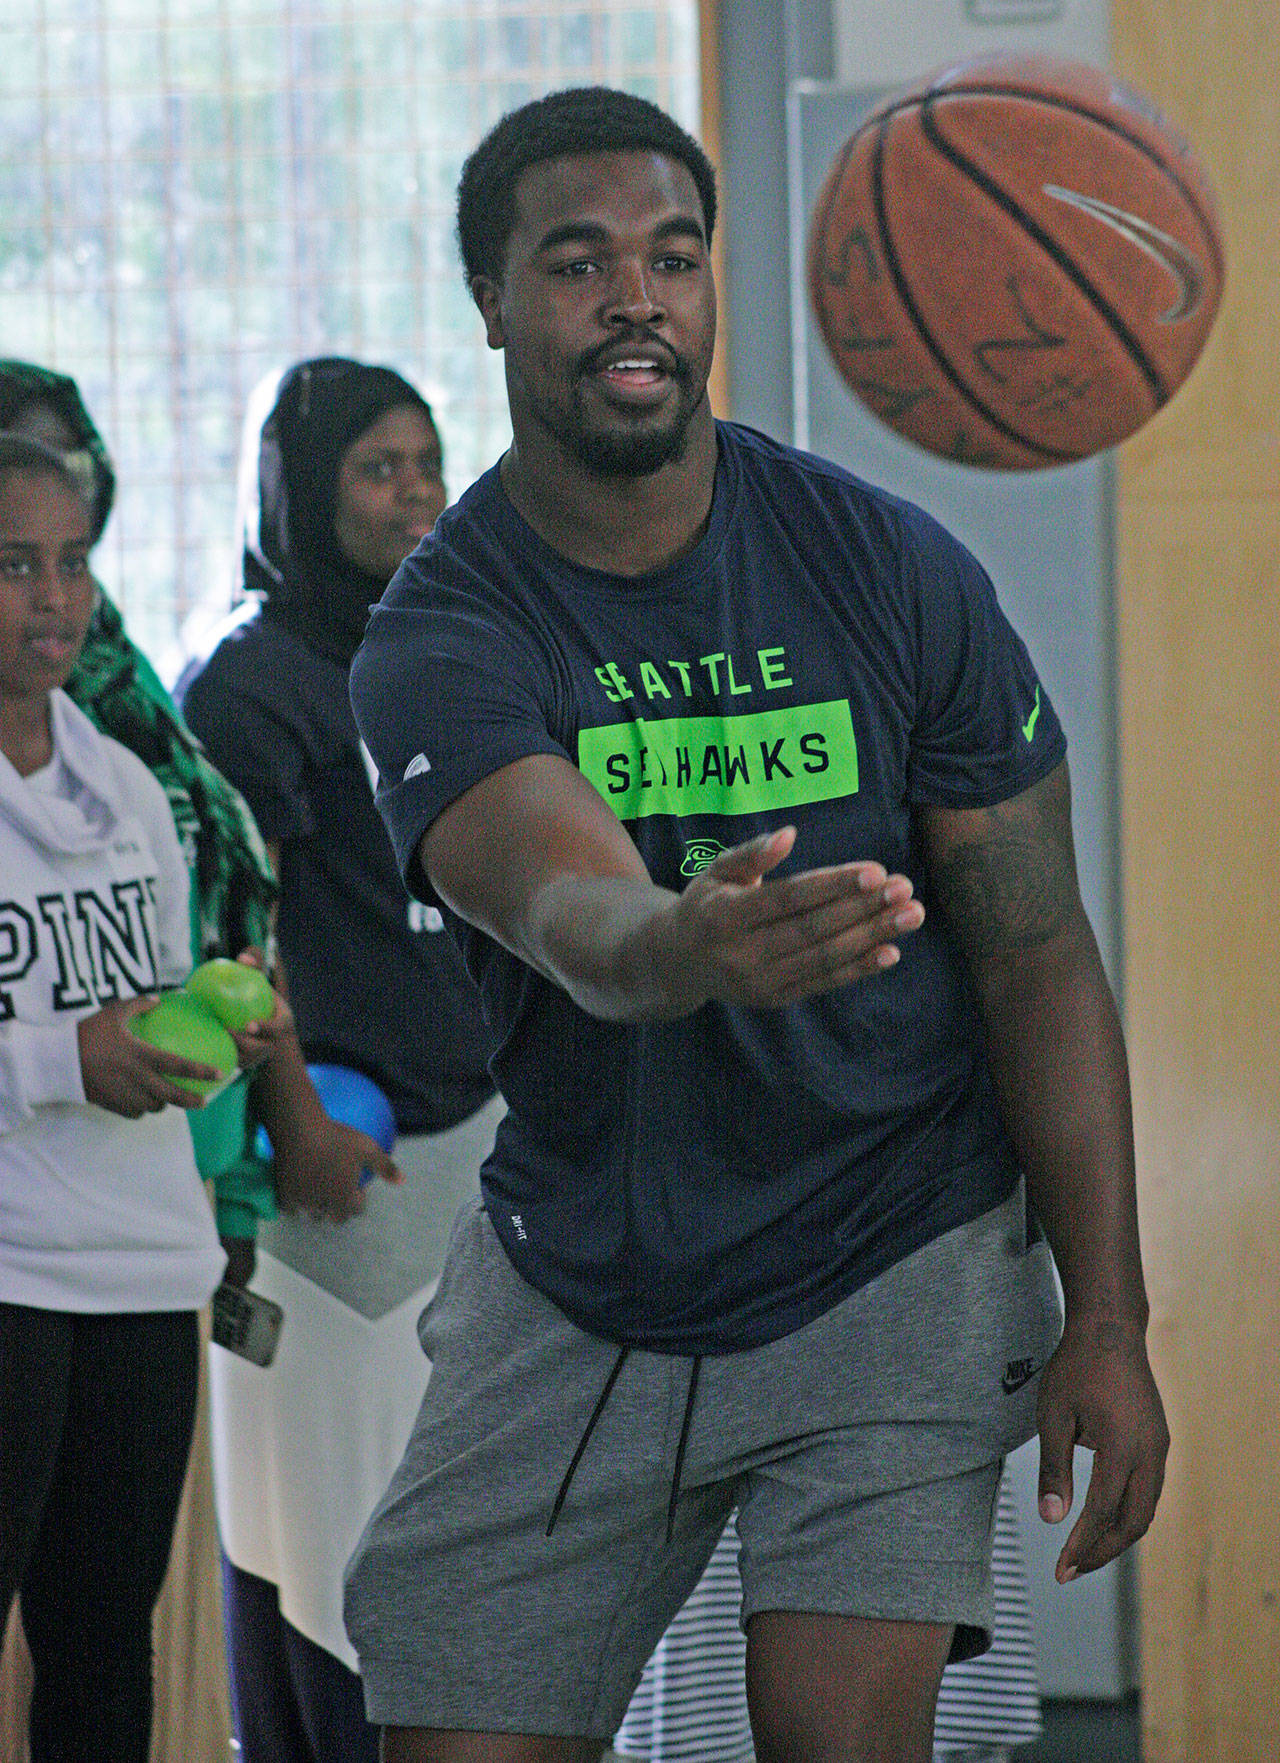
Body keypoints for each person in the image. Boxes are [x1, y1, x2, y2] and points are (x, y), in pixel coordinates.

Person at [342, 85, 1169, 1763]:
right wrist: (678, 948)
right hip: (590, 1258)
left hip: (894, 1241)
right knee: (454, 1726)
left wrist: (1109, 1316)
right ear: (492, 303)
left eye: (673, 256)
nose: (635, 296)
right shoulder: (441, 627)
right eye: (578, 264)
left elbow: (1033, 950)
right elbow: (562, 902)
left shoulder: (890, 568)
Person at [178, 357, 502, 1763]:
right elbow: (231, 942)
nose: (417, 494)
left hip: (470, 1157)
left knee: (453, 1564)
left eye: (427, 462)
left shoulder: (448, 649)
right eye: (379, 469)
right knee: (325, 1565)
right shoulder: (244, 689)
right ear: (301, 492)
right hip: (331, 1182)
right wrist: (297, 1115)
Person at [0, 434, 286, 1762]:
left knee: (105, 1660)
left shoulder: (125, 781)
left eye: (72, 563)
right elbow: (70, 1040)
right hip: (9, 1272)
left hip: (138, 1274)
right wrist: (66, 1061)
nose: (53, 598)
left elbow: (144, 1003)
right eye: (13, 565)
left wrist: (207, 1041)